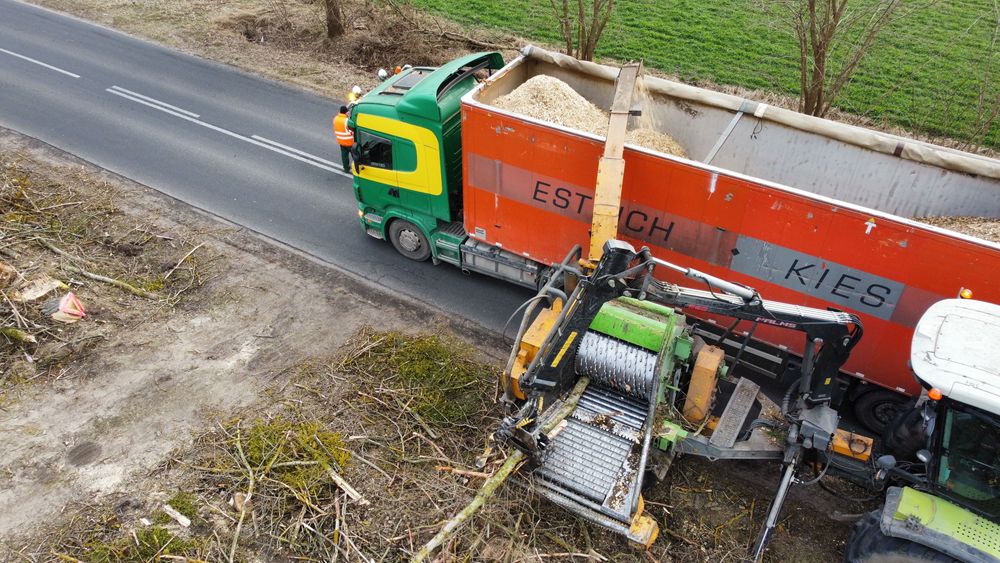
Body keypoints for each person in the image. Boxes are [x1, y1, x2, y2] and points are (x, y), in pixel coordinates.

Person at [333, 105, 354, 172]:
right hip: (350, 142)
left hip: (341, 141)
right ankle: (357, 168)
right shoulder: (347, 121)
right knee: (355, 156)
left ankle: (346, 168)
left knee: (344, 156)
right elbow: (352, 130)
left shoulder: (335, 118)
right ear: (346, 112)